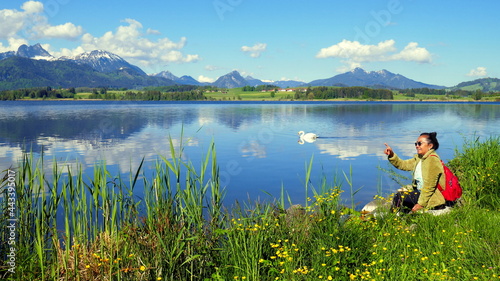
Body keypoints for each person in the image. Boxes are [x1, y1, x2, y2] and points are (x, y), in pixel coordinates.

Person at [384, 132, 446, 214]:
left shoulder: (432, 160)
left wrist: (421, 204)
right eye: (416, 143)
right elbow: (403, 165)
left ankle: (391, 221)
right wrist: (392, 155)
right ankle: (397, 219)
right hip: (421, 193)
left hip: (433, 198)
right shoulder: (420, 159)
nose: (417, 146)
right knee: (402, 198)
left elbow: (429, 186)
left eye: (420, 143)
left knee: (399, 197)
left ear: (430, 146)